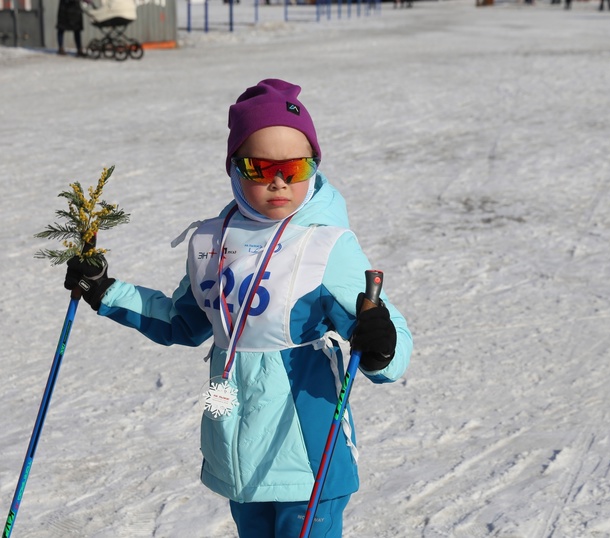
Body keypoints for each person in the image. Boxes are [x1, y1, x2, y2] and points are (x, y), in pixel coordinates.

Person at [64, 79, 413, 538]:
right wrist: (106, 291)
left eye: (295, 166)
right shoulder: (211, 240)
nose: (279, 181)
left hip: (306, 447)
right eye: (259, 166)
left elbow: (382, 329)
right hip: (229, 432)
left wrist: (381, 344)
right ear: (233, 168)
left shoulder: (326, 244)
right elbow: (184, 323)